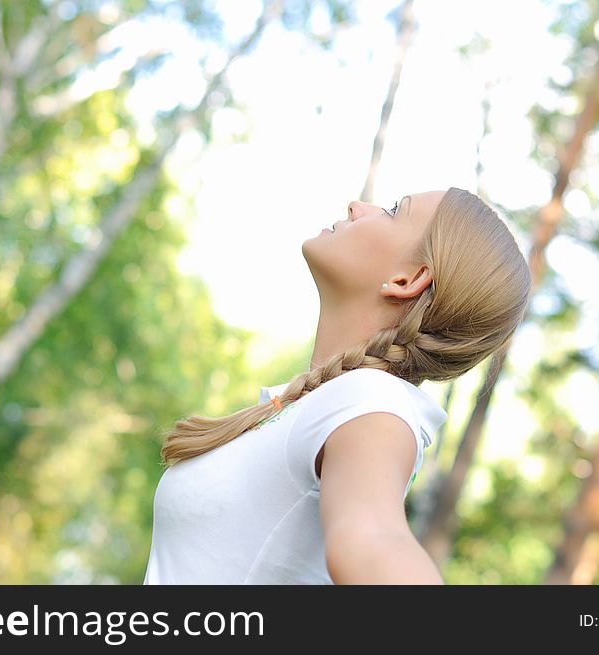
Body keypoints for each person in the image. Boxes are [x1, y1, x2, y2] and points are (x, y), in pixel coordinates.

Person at [143, 187, 531, 584]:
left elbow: (375, 541)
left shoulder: (372, 401)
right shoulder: (323, 403)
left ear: (408, 279)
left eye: (395, 210)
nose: (357, 206)